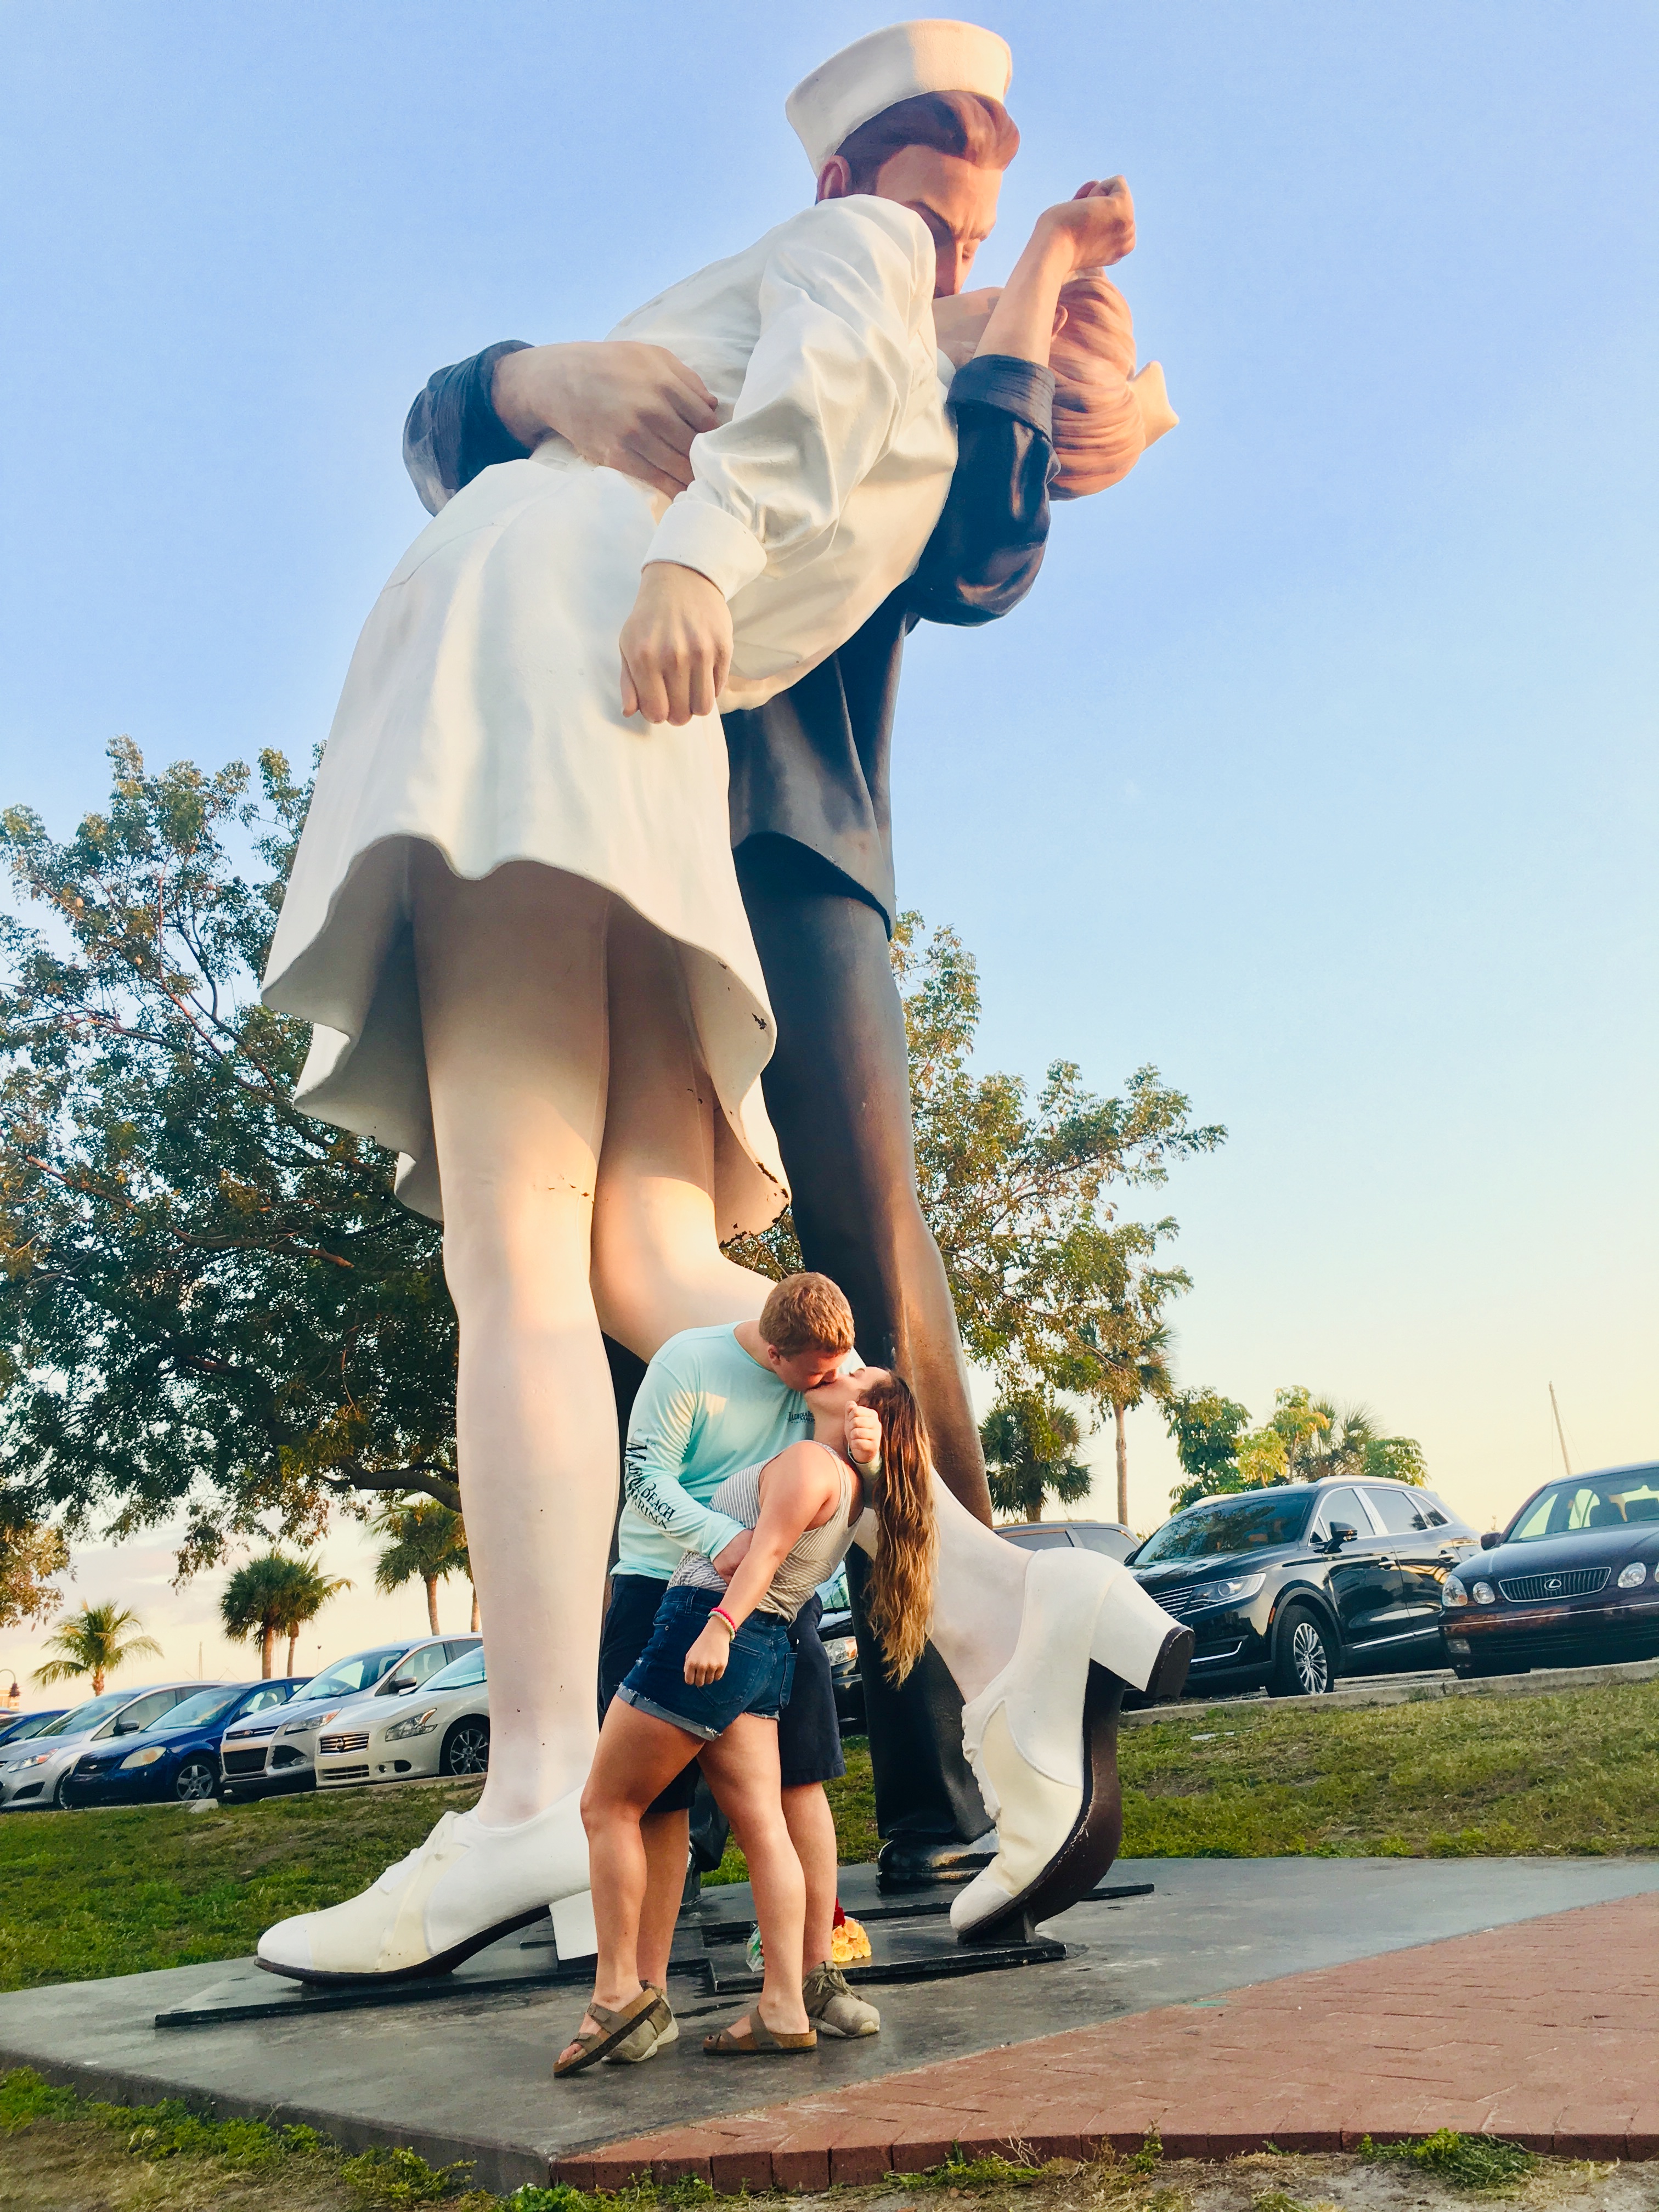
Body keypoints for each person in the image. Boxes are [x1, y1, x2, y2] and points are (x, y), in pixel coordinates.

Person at [257, 20, 1144, 1984]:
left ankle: (532, 1800)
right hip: (642, 713)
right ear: (860, 174)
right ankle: (1004, 1611)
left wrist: (693, 552)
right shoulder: (889, 309)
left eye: (971, 214)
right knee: (645, 1257)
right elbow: (804, 416)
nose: (947, 232)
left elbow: (843, 425)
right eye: (942, 196)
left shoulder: (865, 277)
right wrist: (573, 419)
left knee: (518, 1246)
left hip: (552, 644)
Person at [556, 1363, 933, 2072]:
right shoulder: (852, 1486)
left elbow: (765, 1552)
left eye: (859, 1374)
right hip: (768, 1647)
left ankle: (617, 1997)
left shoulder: (809, 1461)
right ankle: (783, 2007)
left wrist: (718, 1627)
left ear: (869, 1413)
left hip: (711, 1625)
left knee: (608, 1806)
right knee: (763, 1826)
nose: (842, 1366)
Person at [602, 1271, 885, 2044]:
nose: (833, 1384)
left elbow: (877, 1470)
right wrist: (722, 1540)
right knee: (655, 1802)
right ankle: (647, 2001)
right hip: (662, 1585)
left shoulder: (835, 1365)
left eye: (840, 1369)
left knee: (800, 1783)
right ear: (774, 1352)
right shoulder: (689, 1362)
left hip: (778, 1601)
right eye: (818, 1375)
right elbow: (643, 1476)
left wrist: (872, 1454)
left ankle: (810, 1979)